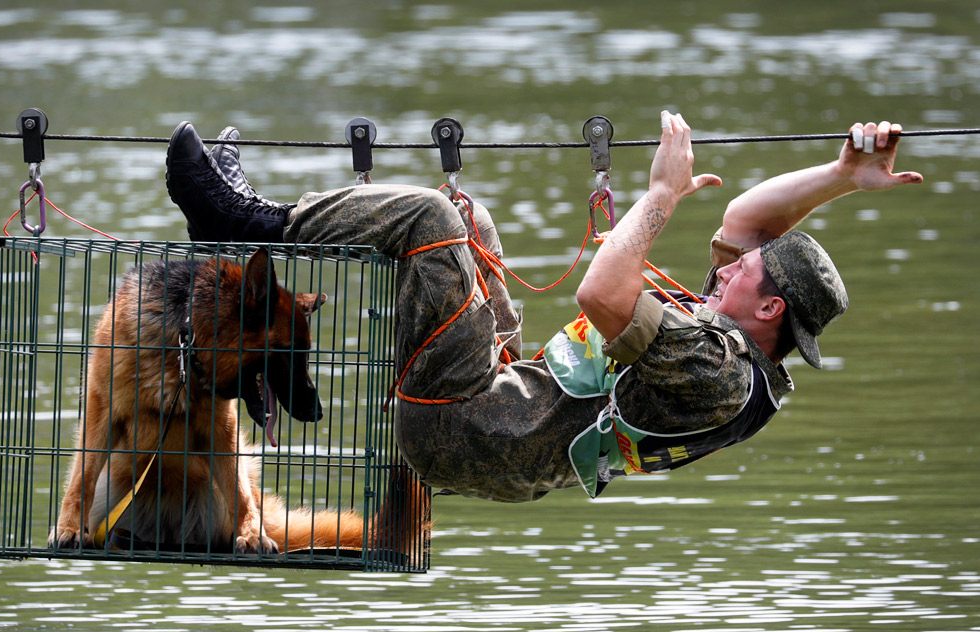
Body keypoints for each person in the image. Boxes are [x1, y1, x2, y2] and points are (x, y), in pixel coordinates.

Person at [164, 114, 922, 502]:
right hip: (498, 399)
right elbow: (749, 223)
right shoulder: (735, 332)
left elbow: (602, 292)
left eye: (741, 273)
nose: (722, 268)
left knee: (430, 221)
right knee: (471, 221)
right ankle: (267, 216)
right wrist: (842, 173)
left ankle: (247, 223)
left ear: (772, 308)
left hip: (467, 421)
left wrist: (658, 198)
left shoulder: (718, 369)